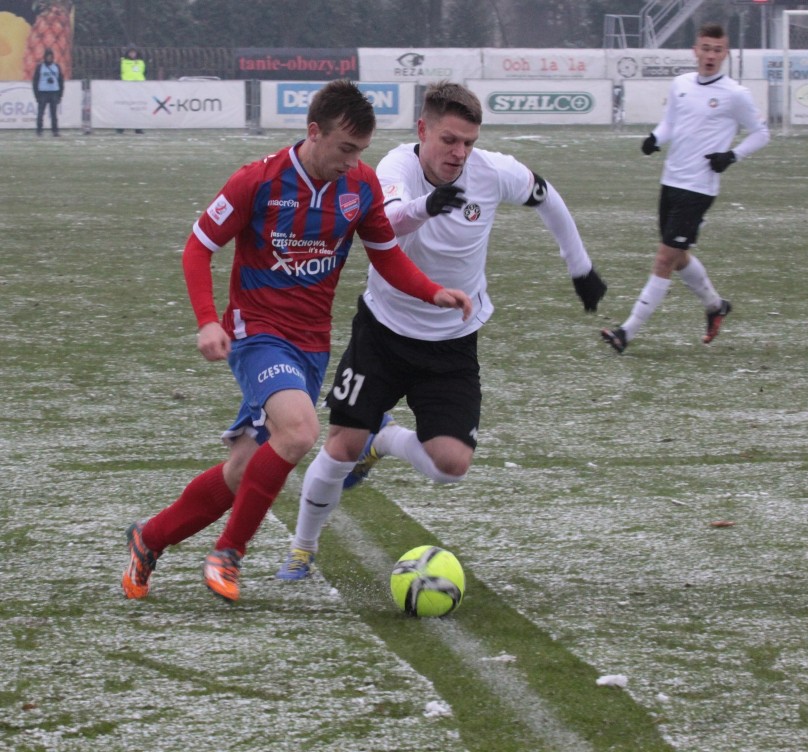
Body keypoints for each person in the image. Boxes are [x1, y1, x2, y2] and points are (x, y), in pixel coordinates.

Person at [121, 79, 472, 603]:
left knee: (242, 473)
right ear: (314, 132)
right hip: (257, 334)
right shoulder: (257, 180)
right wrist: (207, 320)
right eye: (345, 149)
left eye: (362, 152)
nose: (353, 162)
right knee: (301, 431)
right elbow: (197, 249)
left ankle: (149, 539)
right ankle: (229, 553)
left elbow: (387, 255)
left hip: (310, 346)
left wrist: (432, 292)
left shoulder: (361, 187)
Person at [276, 80, 607, 581]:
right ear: (423, 129)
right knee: (341, 445)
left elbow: (547, 196)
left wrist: (580, 267)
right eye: (449, 140)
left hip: (452, 342)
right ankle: (302, 548)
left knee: (450, 465)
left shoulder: (494, 173)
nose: (459, 153)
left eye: (469, 143)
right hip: (384, 332)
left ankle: (382, 441)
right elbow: (383, 224)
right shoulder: (394, 167)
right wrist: (428, 206)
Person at [601, 23, 770, 354]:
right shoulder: (680, 84)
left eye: (717, 50)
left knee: (664, 257)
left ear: (725, 54)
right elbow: (671, 124)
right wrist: (655, 138)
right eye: (705, 48)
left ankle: (626, 332)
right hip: (671, 182)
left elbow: (761, 133)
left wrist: (731, 155)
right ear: (695, 50)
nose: (710, 55)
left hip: (699, 188)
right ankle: (715, 305)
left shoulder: (735, 94)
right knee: (677, 257)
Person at [32, 47, 63, 137]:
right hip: (43, 92)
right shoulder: (40, 67)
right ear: (44, 57)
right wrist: (36, 95)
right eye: (47, 56)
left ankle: (55, 131)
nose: (49, 58)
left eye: (50, 56)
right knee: (40, 113)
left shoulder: (56, 67)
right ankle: (39, 131)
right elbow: (35, 81)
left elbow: (60, 81)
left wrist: (60, 95)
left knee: (54, 114)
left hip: (54, 92)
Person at [118, 44, 145, 134]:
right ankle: (121, 127)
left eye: (134, 52)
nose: (133, 54)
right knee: (125, 107)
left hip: (139, 87)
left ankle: (138, 127)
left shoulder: (141, 62)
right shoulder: (123, 61)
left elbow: (143, 73)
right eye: (131, 52)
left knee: (138, 108)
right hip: (126, 86)